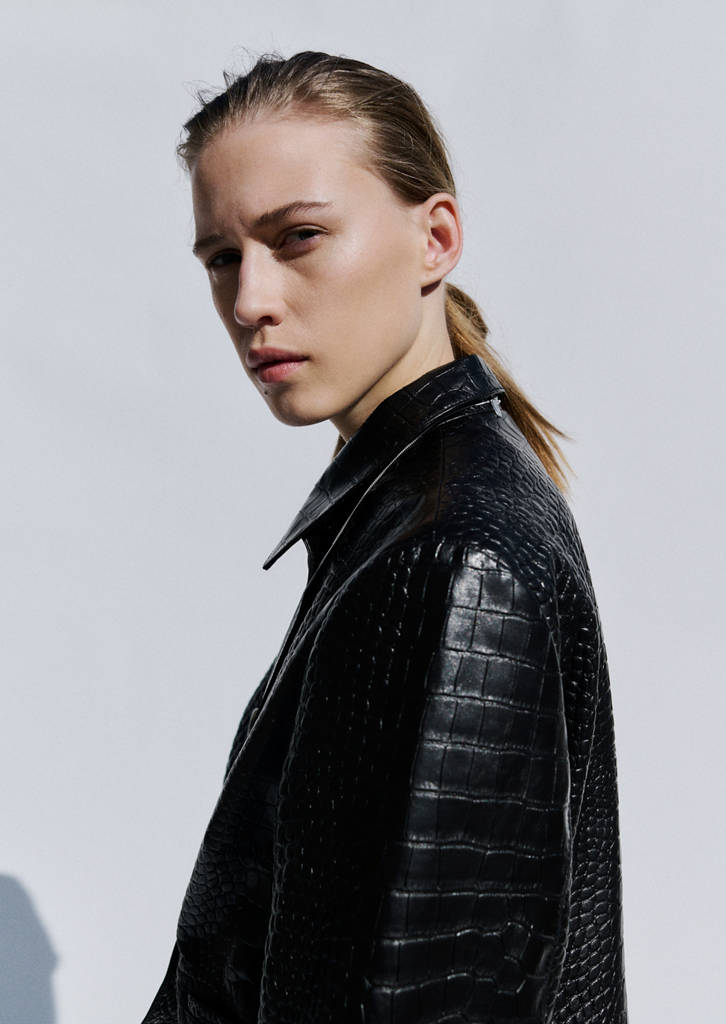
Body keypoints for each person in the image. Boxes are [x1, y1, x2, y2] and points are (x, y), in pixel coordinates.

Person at [142, 50, 628, 1024]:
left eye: (299, 237)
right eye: (222, 257)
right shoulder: (407, 517)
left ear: (434, 238)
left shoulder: (454, 562)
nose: (250, 301)